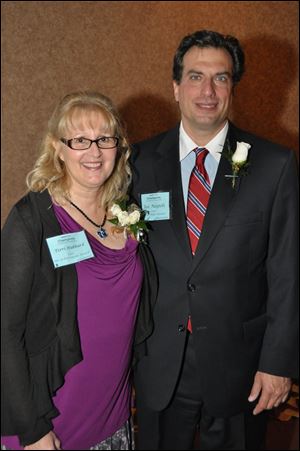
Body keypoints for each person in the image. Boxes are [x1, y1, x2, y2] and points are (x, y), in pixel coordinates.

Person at [131, 30, 299, 450]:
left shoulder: (275, 165)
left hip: (239, 368)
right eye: (195, 76)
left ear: (233, 87)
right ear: (175, 87)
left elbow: (288, 272)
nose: (207, 90)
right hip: (159, 363)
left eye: (220, 78)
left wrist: (277, 364)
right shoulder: (136, 162)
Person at [1, 91, 157, 450]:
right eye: (80, 140)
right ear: (57, 147)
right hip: (52, 422)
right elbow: (5, 332)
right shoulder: (31, 220)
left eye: (105, 138)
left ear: (119, 146)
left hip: (115, 416)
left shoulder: (126, 212)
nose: (94, 151)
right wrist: (32, 430)